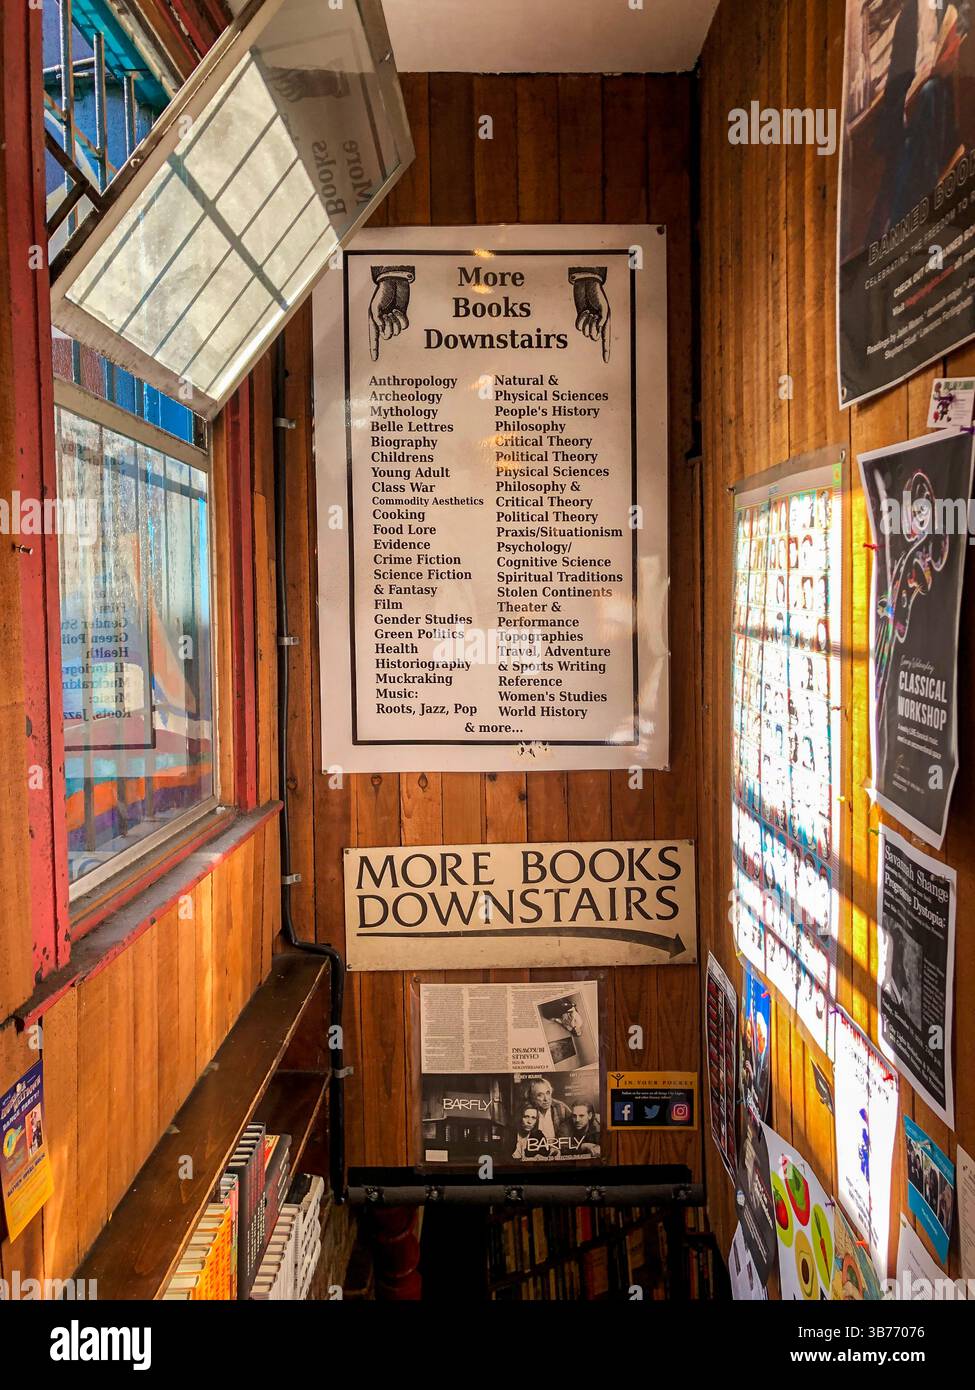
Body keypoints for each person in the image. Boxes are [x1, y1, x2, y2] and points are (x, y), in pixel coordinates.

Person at [525, 1078, 571, 1144]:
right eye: (540, 1095)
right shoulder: (528, 1111)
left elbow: (575, 1128)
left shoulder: (561, 1107)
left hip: (559, 1150)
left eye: (547, 1093)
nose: (546, 1099)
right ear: (532, 1097)